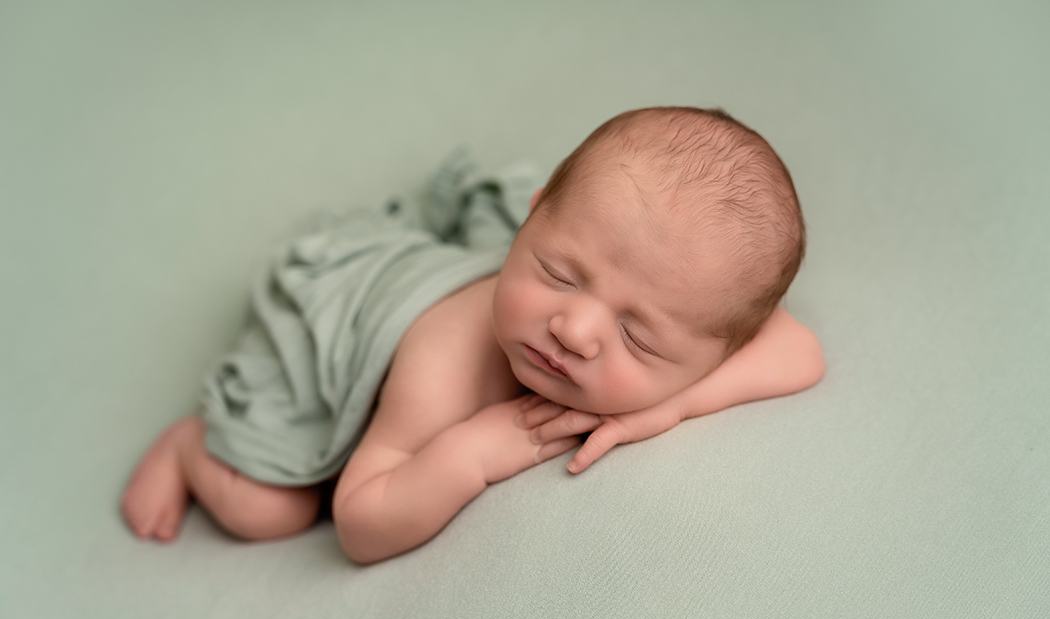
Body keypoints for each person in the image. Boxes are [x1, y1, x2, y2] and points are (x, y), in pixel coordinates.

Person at [121, 107, 825, 564]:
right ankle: (189, 447)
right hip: (338, 326)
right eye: (557, 271)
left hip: (467, 279)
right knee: (268, 511)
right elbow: (359, 523)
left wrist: (669, 407)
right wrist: (475, 451)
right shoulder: (445, 365)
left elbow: (801, 350)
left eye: (638, 338)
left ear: (721, 347)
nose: (573, 328)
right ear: (535, 213)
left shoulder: (694, 319)